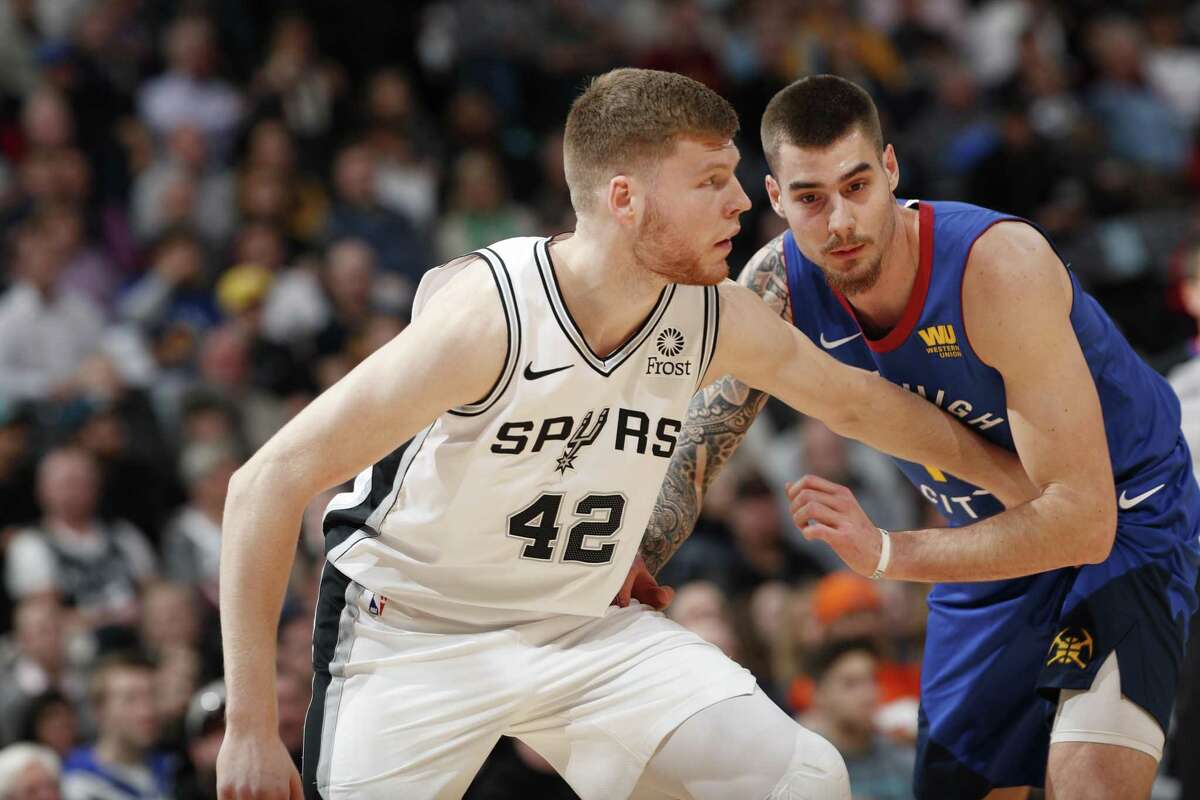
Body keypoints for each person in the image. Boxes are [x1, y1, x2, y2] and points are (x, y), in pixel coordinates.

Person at [216, 68, 1033, 800]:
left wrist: (1016, 483)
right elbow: (263, 484)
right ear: (623, 199)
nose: (743, 203)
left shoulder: (709, 313)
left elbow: (858, 405)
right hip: (414, 634)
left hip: (582, 627)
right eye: (712, 181)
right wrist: (250, 728)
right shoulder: (489, 313)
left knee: (802, 778)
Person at [641, 74, 1200, 799]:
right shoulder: (775, 290)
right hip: (989, 540)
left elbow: (1082, 525)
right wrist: (638, 560)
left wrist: (883, 553)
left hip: (1122, 517)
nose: (840, 220)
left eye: (857, 185)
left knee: (1086, 785)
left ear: (893, 171)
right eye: (811, 198)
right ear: (776, 201)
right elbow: (695, 448)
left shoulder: (996, 266)